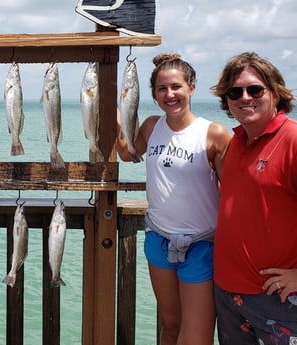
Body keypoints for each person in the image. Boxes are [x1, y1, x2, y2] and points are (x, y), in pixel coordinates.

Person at [117, 53, 231, 345]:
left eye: (177, 87)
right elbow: (129, 153)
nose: (170, 94)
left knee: (197, 338)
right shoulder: (152, 126)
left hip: (201, 244)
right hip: (158, 238)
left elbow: (234, 191)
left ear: (192, 87)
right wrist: (117, 116)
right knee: (170, 326)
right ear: (154, 94)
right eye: (162, 89)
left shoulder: (214, 134)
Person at [211, 52, 297, 345]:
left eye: (255, 89)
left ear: (275, 94)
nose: (245, 97)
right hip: (227, 295)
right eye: (235, 92)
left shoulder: (292, 140)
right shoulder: (236, 141)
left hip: (278, 300)